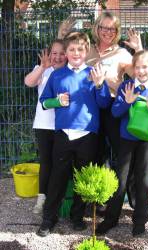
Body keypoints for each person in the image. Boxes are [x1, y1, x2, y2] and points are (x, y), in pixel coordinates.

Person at [37, 32, 111, 237]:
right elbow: (44, 102)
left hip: (87, 134)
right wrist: (56, 101)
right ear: (67, 52)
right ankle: (48, 219)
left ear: (86, 51)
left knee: (82, 179)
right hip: (63, 134)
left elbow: (104, 103)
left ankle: (76, 217)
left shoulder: (93, 73)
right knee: (57, 178)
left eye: (80, 49)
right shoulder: (57, 74)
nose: (76, 53)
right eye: (72, 49)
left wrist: (99, 84)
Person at [96, 49, 148, 236]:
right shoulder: (126, 87)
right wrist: (127, 102)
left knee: (143, 181)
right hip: (127, 140)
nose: (141, 71)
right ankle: (111, 219)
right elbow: (115, 112)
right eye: (137, 67)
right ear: (133, 68)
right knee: (120, 180)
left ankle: (139, 222)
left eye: (145, 67)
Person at [86, 11, 143, 212]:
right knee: (96, 153)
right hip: (90, 108)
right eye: (104, 27)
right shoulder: (87, 50)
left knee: (123, 153)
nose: (107, 32)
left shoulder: (121, 54)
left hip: (114, 108)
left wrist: (139, 50)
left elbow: (140, 73)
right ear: (97, 28)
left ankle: (136, 200)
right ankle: (100, 200)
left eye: (112, 28)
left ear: (116, 31)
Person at [24, 39, 67, 214]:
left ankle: (59, 198)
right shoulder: (42, 70)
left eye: (61, 53)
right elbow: (28, 82)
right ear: (49, 54)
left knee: (61, 163)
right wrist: (42, 67)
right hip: (43, 125)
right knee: (46, 162)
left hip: (63, 126)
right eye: (54, 53)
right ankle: (42, 198)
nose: (57, 57)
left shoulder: (69, 72)